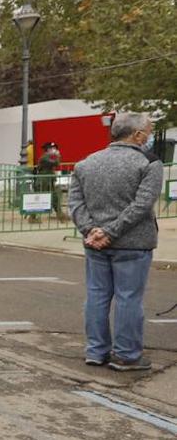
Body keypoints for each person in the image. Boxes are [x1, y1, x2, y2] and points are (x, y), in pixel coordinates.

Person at [68, 113, 163, 372]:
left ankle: (96, 351)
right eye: (150, 131)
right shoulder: (149, 163)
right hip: (133, 243)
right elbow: (143, 205)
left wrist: (92, 231)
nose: (151, 136)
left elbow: (75, 204)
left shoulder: (86, 163)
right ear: (138, 135)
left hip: (94, 243)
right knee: (128, 299)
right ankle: (127, 355)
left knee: (97, 296)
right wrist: (111, 231)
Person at [34, 141, 62, 216]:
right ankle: (33, 216)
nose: (55, 150)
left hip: (48, 180)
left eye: (55, 149)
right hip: (43, 180)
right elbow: (56, 163)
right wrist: (58, 156)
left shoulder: (48, 157)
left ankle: (60, 214)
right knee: (40, 197)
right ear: (48, 149)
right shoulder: (45, 157)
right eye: (53, 149)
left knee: (54, 196)